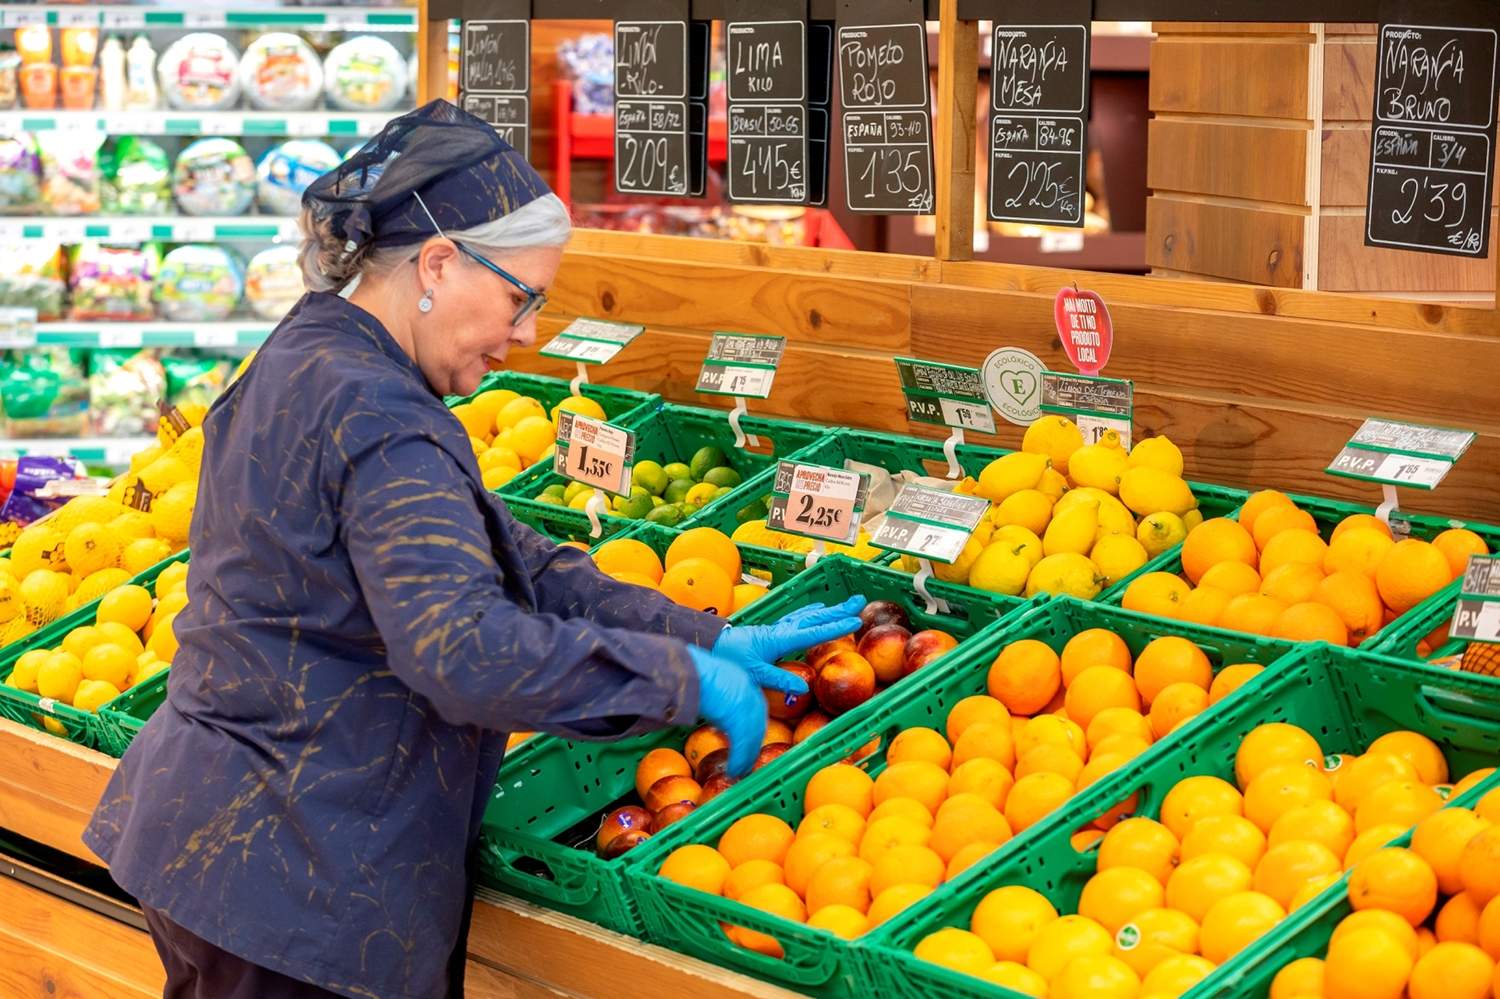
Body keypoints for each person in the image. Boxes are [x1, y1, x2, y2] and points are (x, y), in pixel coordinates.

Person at [84, 100, 862, 999]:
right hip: (302, 879)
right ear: (440, 263)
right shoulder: (382, 417)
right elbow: (460, 647)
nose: (528, 332)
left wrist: (696, 631)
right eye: (520, 297)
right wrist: (681, 681)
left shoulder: (315, 347)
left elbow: (506, 551)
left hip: (217, 837)